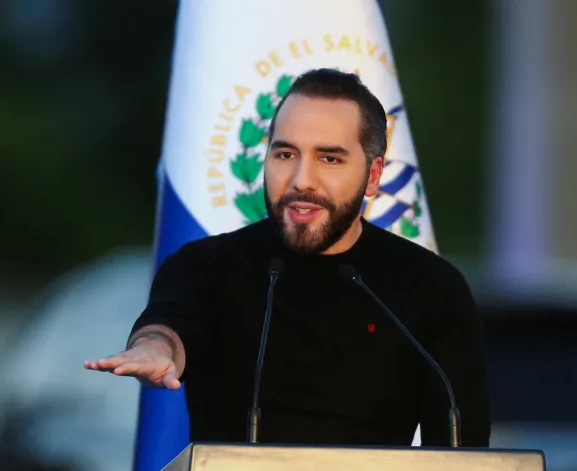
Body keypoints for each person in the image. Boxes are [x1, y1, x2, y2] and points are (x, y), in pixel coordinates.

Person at [86, 68, 490, 448]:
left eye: (329, 158)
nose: (301, 180)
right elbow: (170, 328)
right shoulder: (208, 266)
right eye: (285, 155)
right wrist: (155, 349)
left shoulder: (431, 288)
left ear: (372, 176)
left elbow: (462, 462)